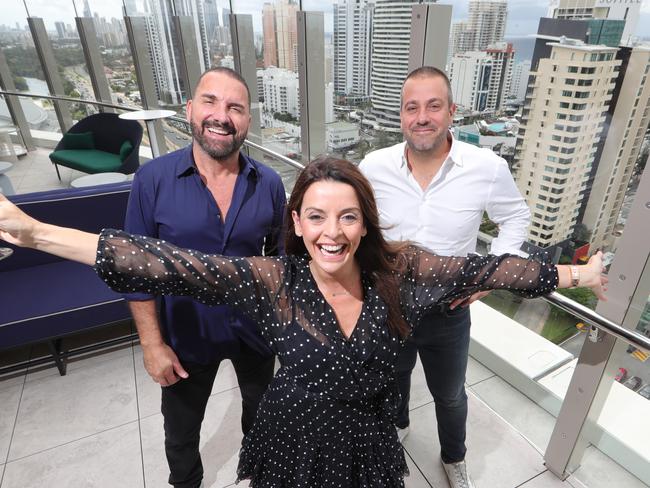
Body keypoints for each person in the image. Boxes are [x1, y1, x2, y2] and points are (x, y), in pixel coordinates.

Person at [0, 157, 607, 488]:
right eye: (316, 217)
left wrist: (578, 278)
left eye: (347, 217)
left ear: (366, 223)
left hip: (368, 437)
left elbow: (490, 266)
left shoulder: (405, 270)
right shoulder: (274, 280)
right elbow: (162, 263)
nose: (331, 233)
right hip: (291, 431)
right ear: (296, 221)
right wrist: (33, 232)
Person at [360, 66, 530, 488]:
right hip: (389, 307)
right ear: (400, 115)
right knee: (392, 378)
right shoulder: (373, 165)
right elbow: (355, 222)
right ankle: (396, 428)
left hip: (448, 313)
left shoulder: (485, 167)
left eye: (433, 106)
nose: (422, 117)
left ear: (451, 111)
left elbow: (515, 218)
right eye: (411, 107)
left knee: (451, 396)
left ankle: (454, 457)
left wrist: (491, 276)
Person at [125, 67, 286, 488]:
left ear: (248, 120)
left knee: (261, 415)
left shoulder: (268, 183)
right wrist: (151, 344)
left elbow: (283, 260)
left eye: (235, 107)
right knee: (180, 431)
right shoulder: (152, 180)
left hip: (254, 332)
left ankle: (258, 475)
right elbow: (135, 271)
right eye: (211, 102)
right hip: (184, 335)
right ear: (190, 109)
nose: (222, 115)